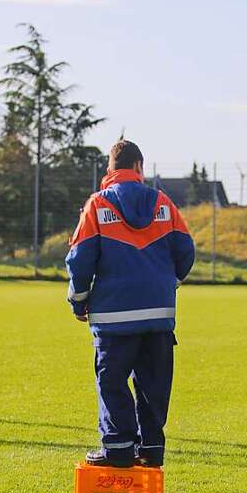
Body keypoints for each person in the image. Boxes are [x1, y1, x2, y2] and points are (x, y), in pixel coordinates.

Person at [66, 140, 195, 468]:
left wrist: (79, 301)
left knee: (111, 381)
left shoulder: (97, 205)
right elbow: (186, 250)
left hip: (113, 317)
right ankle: (151, 450)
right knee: (153, 385)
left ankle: (118, 448)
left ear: (110, 170)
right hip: (159, 316)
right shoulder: (163, 203)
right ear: (139, 167)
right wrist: (169, 283)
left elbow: (80, 258)